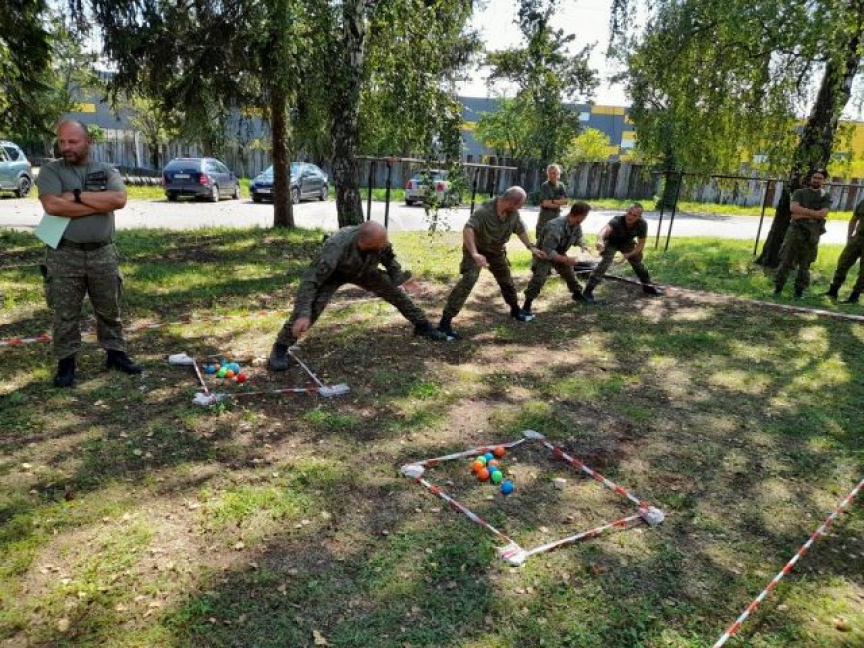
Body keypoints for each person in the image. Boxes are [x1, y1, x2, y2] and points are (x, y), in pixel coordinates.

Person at [37, 119, 141, 388]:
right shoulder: (51, 171)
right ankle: (66, 363)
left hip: (102, 253)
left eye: (72, 141)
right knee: (65, 313)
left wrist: (73, 196)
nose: (66, 147)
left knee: (109, 308)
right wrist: (98, 203)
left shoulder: (106, 171)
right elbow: (53, 207)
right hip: (64, 253)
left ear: (89, 142)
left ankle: (116, 354)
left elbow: (118, 199)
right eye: (62, 141)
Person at [269, 221, 445, 369]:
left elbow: (389, 259)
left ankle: (422, 325)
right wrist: (303, 314)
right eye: (381, 243)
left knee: (395, 294)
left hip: (364, 270)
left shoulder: (380, 241)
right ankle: (281, 347)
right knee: (312, 309)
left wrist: (402, 279)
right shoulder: (336, 247)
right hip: (334, 274)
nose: (385, 244)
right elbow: (310, 281)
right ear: (365, 244)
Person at [438, 186, 544, 340]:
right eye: (520, 204)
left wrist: (530, 247)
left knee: (506, 280)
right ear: (511, 202)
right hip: (477, 250)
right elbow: (468, 229)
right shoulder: (484, 211)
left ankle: (515, 310)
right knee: (469, 280)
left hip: (496, 251)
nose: (521, 207)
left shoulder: (513, 213)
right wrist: (474, 253)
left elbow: (520, 230)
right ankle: (444, 323)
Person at [583, 203, 661, 303]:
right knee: (606, 261)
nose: (630, 217)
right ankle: (588, 291)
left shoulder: (642, 224)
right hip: (611, 242)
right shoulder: (617, 220)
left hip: (626, 242)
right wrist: (600, 241)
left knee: (637, 261)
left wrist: (628, 255)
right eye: (629, 213)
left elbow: (641, 245)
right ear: (626, 211)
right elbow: (604, 230)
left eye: (634, 215)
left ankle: (648, 286)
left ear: (639, 217)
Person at [523, 201, 591, 315]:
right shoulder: (555, 226)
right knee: (539, 279)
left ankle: (577, 294)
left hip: (559, 252)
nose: (585, 218)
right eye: (585, 216)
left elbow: (578, 237)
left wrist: (584, 245)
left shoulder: (576, 224)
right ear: (579, 215)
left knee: (569, 274)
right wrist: (567, 260)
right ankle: (527, 304)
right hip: (543, 255)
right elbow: (548, 252)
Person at [774, 169, 832, 299]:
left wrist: (802, 213)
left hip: (812, 233)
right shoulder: (799, 192)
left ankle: (799, 292)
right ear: (810, 179)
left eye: (820, 178)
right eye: (814, 177)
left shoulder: (825, 196)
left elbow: (823, 213)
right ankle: (778, 288)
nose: (816, 180)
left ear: (824, 181)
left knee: (805, 264)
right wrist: (814, 214)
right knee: (786, 260)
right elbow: (793, 208)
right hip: (795, 230)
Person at [823, 198, 863, 304]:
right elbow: (854, 219)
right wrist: (849, 237)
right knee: (843, 263)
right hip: (858, 238)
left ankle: (855, 296)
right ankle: (833, 291)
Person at [536, 164, 569, 241]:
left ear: (558, 174)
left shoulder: (561, 185)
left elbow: (565, 201)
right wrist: (558, 203)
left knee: (554, 238)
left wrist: (553, 201)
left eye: (554, 173)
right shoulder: (545, 185)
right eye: (550, 173)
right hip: (545, 216)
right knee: (541, 238)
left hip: (556, 216)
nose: (552, 175)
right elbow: (544, 203)